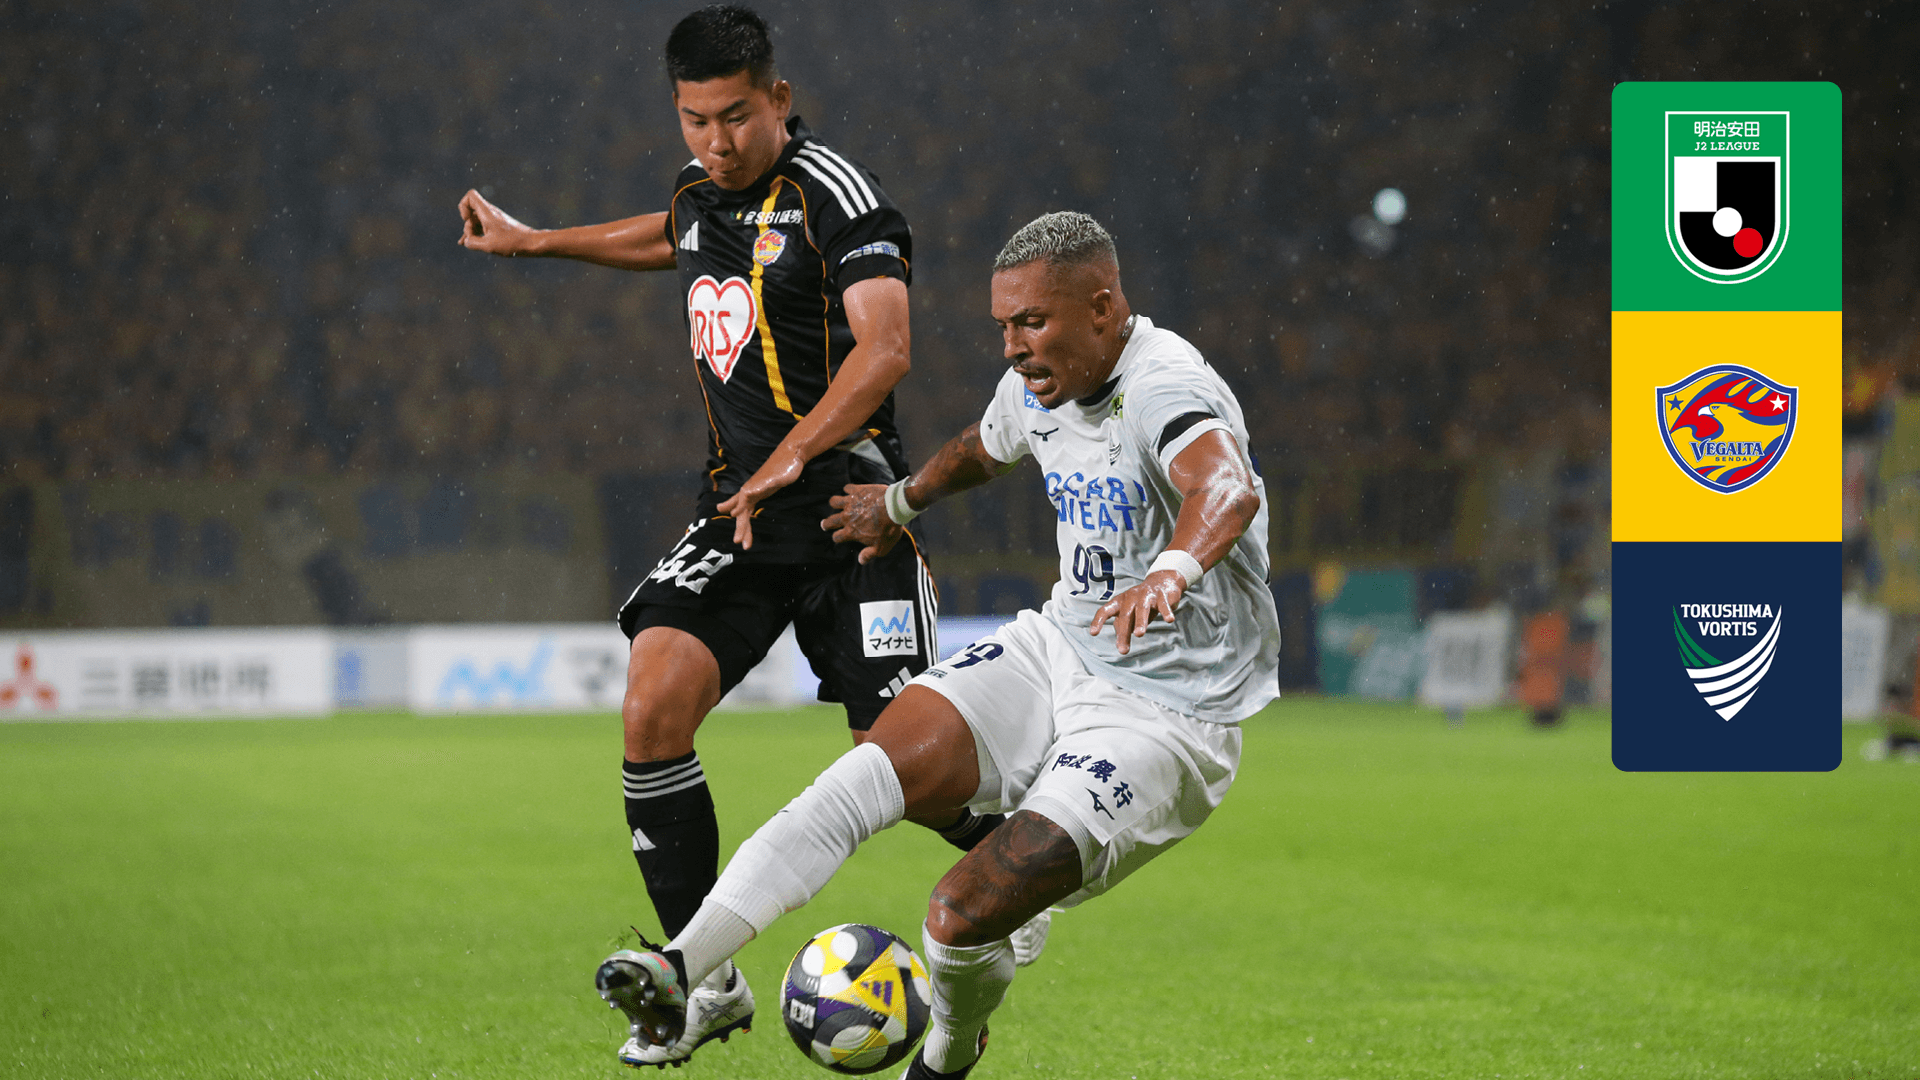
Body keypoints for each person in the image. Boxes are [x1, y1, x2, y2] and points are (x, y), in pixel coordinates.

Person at [456, 6, 1022, 1067]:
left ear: (779, 99)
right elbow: (666, 235)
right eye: (694, 120)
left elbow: (887, 349)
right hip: (743, 513)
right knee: (652, 701)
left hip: (851, 512)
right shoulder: (697, 193)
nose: (715, 142)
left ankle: (1018, 854)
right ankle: (701, 983)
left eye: (733, 117)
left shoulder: (837, 196)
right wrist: (535, 241)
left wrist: (794, 455)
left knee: (904, 767)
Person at [594, 210, 1281, 1078]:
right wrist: (899, 502)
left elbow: (1225, 485)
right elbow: (980, 449)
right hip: (1062, 647)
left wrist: (1170, 572)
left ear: (1104, 308)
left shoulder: (1162, 385)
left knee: (956, 918)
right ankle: (681, 967)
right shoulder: (1040, 387)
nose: (1013, 348)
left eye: (1032, 322)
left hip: (1168, 712)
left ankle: (950, 1053)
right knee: (865, 774)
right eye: (1003, 325)